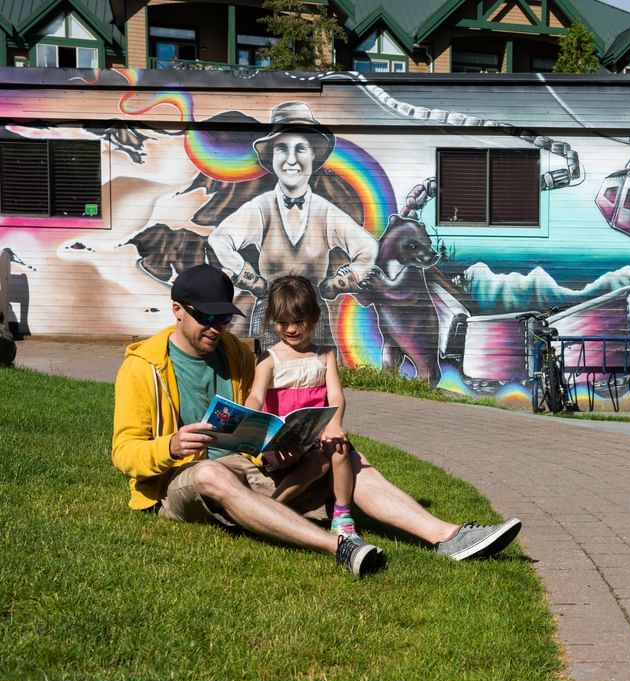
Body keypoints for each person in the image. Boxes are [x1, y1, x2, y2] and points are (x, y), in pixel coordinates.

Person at [111, 263, 521, 578]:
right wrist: (170, 445)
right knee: (209, 476)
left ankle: (447, 535)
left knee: (343, 450)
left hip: (248, 468)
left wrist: (278, 447)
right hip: (183, 479)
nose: (217, 329)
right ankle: (338, 546)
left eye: (224, 319)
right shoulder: (143, 367)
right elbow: (124, 453)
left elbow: (254, 417)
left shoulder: (235, 351)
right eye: (207, 319)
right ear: (178, 311)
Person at [206, 101, 378, 348]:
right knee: (267, 372)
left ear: (314, 155)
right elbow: (219, 239)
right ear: (272, 157)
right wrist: (250, 278)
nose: (291, 159)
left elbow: (368, 247)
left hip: (313, 314)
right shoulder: (261, 208)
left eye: (301, 148)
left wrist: (340, 282)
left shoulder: (326, 212)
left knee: (315, 375)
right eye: (282, 149)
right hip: (271, 313)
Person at [246, 275, 357, 539]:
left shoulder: (325, 354)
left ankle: (342, 516)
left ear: (314, 317)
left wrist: (334, 424)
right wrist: (255, 425)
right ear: (274, 320)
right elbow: (255, 397)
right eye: (283, 322)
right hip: (282, 442)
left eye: (299, 321)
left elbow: (337, 396)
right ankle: (271, 507)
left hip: (316, 437)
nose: (291, 329)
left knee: (337, 450)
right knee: (318, 460)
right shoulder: (269, 358)